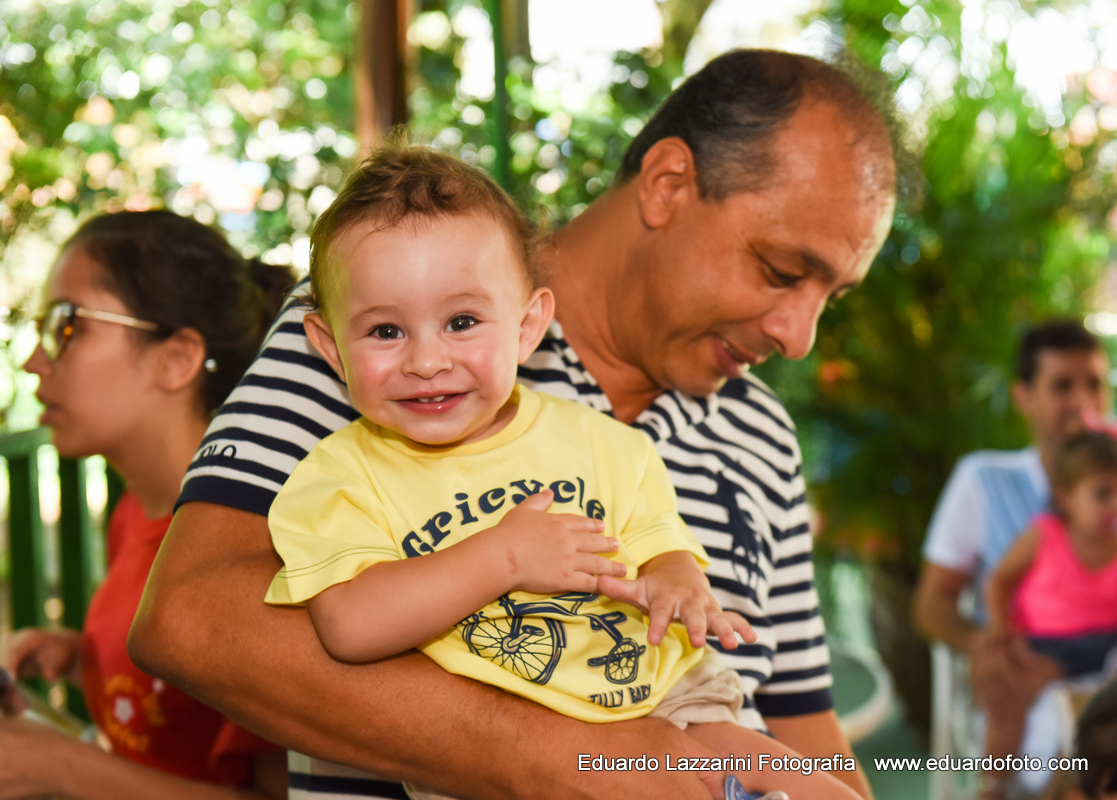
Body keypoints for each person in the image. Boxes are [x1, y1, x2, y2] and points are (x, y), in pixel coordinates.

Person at [130, 48, 900, 800]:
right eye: (781, 271)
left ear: (529, 323)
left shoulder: (759, 430)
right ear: (667, 184)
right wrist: (576, 762)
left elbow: (801, 723)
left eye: (832, 298)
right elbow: (192, 618)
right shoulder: (392, 333)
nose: (800, 337)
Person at [264, 145, 863, 800]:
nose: (428, 360)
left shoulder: (601, 444)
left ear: (527, 327)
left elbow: (659, 542)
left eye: (462, 322)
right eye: (385, 332)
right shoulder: (339, 477)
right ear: (328, 345)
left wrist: (675, 582)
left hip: (665, 702)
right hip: (500, 747)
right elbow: (348, 626)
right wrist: (505, 556)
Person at [0, 211, 295, 799]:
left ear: (176, 358)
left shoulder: (257, 551)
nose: (32, 361)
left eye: (66, 326)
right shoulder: (138, 512)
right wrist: (86, 658)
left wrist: (59, 768)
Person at [913, 319, 1111, 791]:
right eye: (1062, 385)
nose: (1083, 402)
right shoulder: (983, 480)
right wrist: (987, 644)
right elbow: (932, 605)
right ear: (1024, 397)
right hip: (1028, 668)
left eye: (1095, 385)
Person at [981, 430, 1117, 797]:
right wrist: (1000, 624)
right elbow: (999, 582)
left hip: (1107, 646)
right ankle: (991, 785)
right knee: (1011, 696)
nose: (1114, 505)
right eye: (1102, 493)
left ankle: (1066, 789)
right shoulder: (1045, 536)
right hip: (1048, 647)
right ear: (1066, 496)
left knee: (1092, 719)